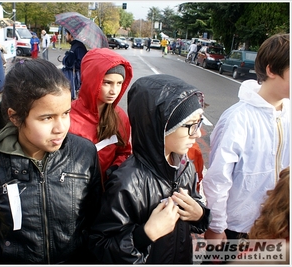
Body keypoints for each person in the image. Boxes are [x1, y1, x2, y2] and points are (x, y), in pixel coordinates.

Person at [0, 58, 102, 264]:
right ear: (14, 117)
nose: (60, 128)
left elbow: (96, 223)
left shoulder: (84, 153)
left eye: (66, 113)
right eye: (47, 118)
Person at [89, 74, 211, 264]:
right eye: (189, 125)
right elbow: (100, 246)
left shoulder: (186, 167)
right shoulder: (126, 183)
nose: (197, 134)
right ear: (160, 126)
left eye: (199, 123)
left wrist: (200, 215)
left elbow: (193, 206)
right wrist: (144, 235)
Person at [203, 33, 290, 243]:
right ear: (271, 70)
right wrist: (216, 226)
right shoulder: (237, 119)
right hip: (239, 229)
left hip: (280, 225)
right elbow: (218, 179)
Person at [69, 48, 133, 185]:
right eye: (107, 83)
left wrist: (115, 169)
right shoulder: (68, 115)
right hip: (73, 192)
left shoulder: (120, 117)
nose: (114, 91)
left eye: (119, 83)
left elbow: (124, 151)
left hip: (106, 190)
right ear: (92, 80)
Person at [61, 29, 88, 100]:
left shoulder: (78, 47)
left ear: (71, 35)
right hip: (71, 75)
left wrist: (70, 61)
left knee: (73, 99)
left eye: (67, 34)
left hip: (74, 77)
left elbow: (81, 63)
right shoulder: (75, 46)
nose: (65, 36)